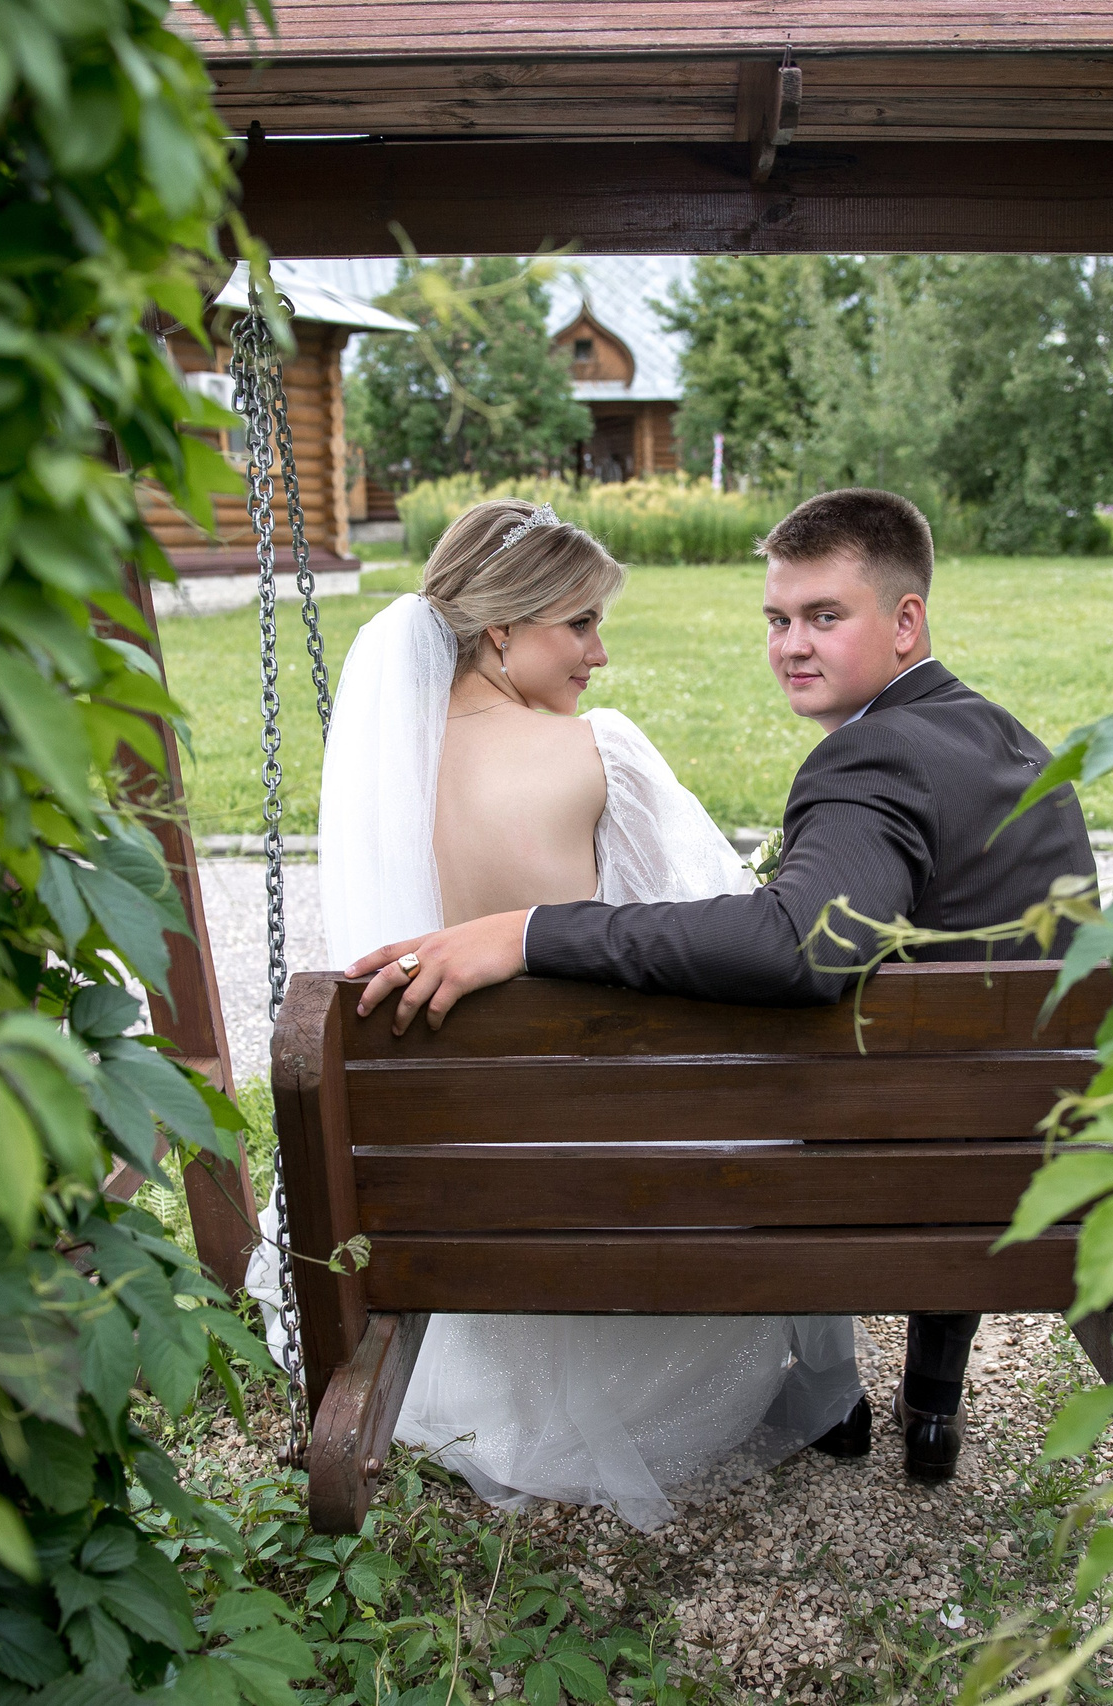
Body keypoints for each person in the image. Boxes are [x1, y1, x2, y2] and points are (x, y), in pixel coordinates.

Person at [349, 488, 1098, 1484]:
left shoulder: (868, 760)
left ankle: (885, 1390)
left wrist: (527, 931)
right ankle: (931, 1396)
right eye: (778, 619)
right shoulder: (1010, 742)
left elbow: (796, 947)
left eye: (824, 616)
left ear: (905, 620)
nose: (790, 644)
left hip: (913, 1159)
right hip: (1022, 1139)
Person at [313, 497, 866, 1532]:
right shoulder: (592, 751)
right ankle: (826, 1376)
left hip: (448, 1172)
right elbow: (711, 923)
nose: (599, 655)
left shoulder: (383, 764)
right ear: (501, 629)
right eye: (579, 623)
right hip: (598, 1162)